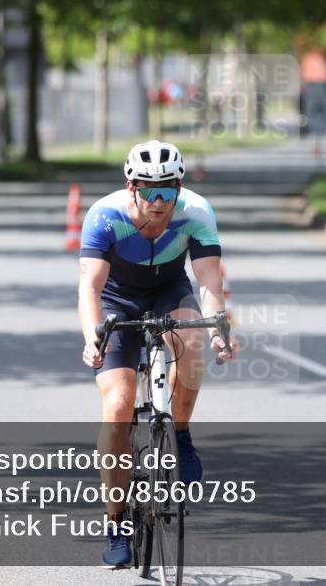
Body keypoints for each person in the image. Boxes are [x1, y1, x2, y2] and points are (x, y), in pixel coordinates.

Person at [77, 139, 240, 567]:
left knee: (193, 341)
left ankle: (181, 436)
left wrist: (219, 325)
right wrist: (92, 336)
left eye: (167, 191)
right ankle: (116, 522)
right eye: (149, 191)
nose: (159, 202)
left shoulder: (196, 212)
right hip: (117, 301)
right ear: (131, 187)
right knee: (118, 407)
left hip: (170, 290)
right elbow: (89, 286)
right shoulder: (105, 216)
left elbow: (207, 281)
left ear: (179, 188)